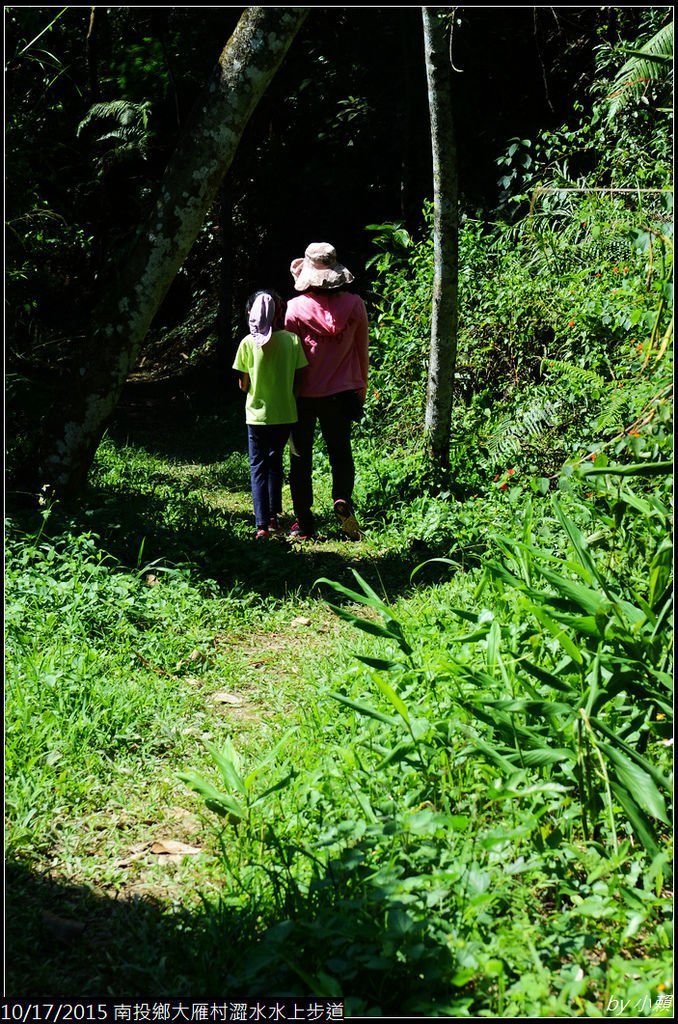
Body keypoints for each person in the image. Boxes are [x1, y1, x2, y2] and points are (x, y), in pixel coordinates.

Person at [284, 242, 369, 541]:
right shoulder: (356, 305)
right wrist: (362, 388)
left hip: (302, 395)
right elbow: (362, 352)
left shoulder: (293, 309)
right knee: (341, 454)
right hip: (342, 393)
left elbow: (289, 358)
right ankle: (342, 498)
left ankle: (304, 523)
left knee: (300, 458)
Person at [232, 290, 308, 540]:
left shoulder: (246, 344)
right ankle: (274, 515)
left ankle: (261, 524)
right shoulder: (292, 341)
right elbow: (299, 381)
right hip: (286, 413)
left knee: (258, 467)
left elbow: (244, 385)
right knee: (276, 464)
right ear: (278, 314)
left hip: (256, 416)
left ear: (250, 314)